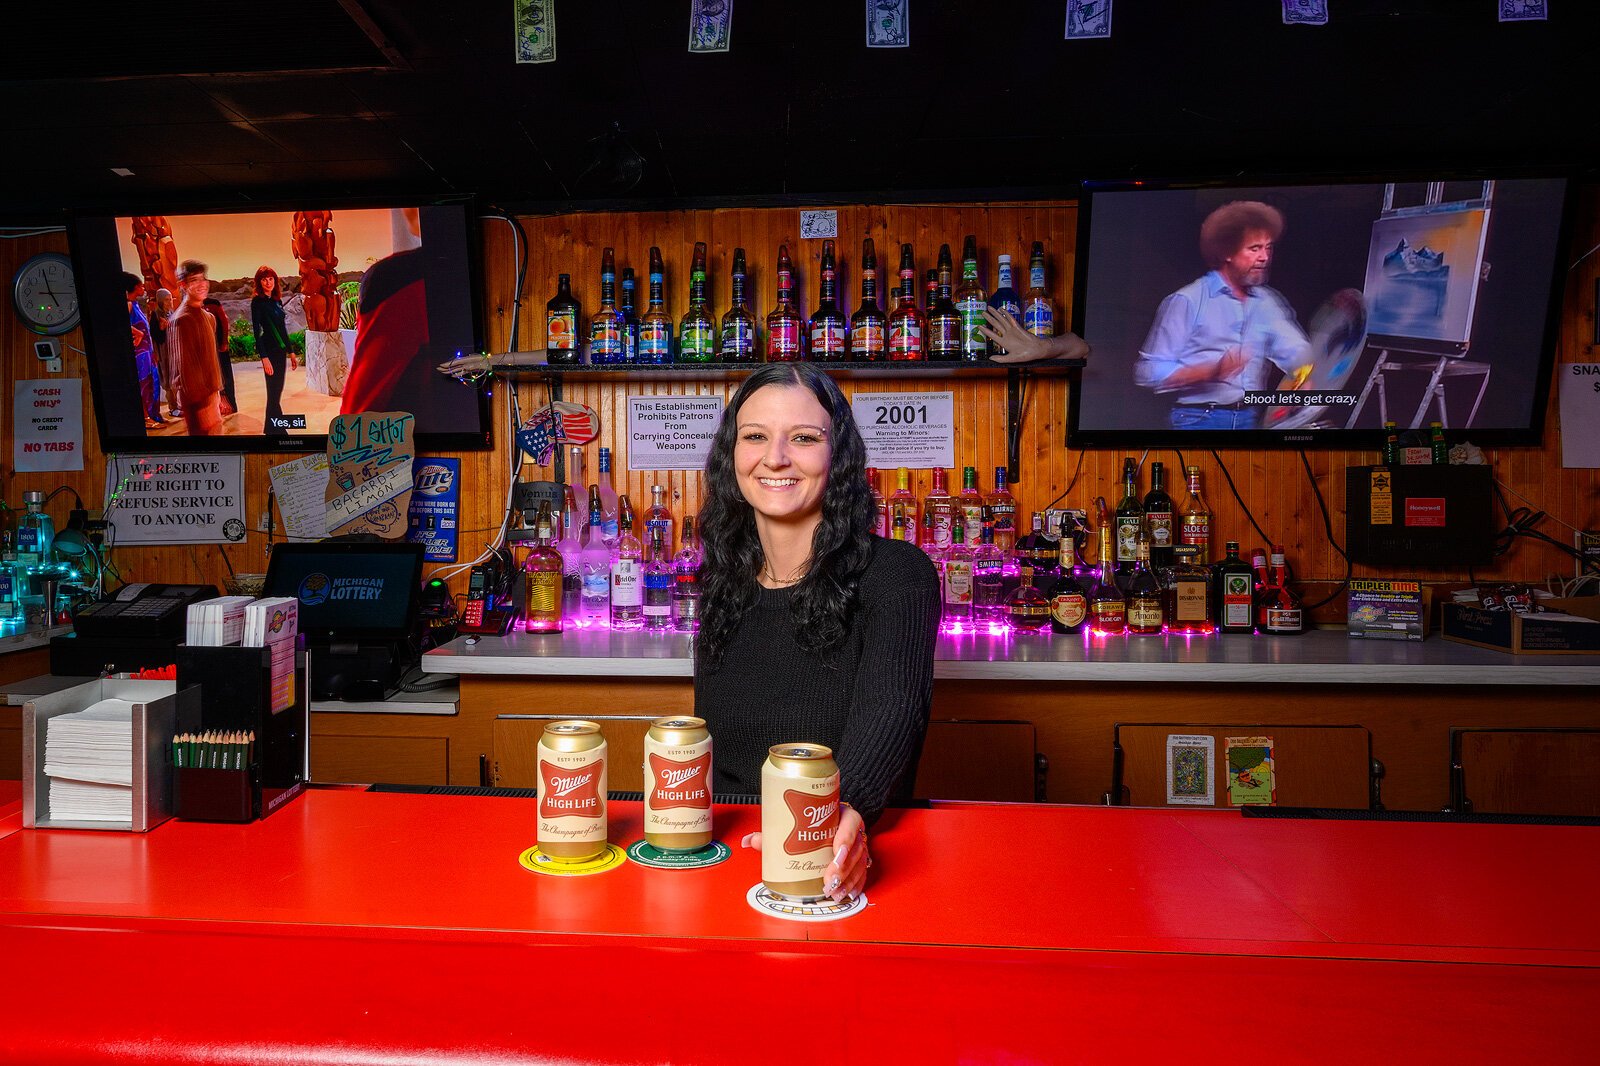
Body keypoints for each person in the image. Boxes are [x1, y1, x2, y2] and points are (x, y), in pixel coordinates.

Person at [694, 363, 941, 905]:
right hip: (732, 850)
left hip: (838, 846)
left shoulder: (897, 574)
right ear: (730, 455)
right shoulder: (721, 582)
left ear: (839, 457)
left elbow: (895, 710)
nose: (775, 457)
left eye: (804, 438)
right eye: (754, 436)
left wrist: (838, 821)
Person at [1133, 200, 1312, 430]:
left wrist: (1305, 373)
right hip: (1197, 419)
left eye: (1269, 247)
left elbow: (1293, 350)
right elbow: (1147, 371)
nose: (1265, 257)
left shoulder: (1268, 302)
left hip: (1250, 419)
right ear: (1227, 252)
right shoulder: (1188, 300)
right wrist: (1208, 372)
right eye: (1255, 248)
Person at [167, 259, 225, 436]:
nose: (201, 284)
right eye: (194, 280)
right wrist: (201, 408)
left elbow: (209, 360)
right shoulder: (181, 319)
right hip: (199, 404)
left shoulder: (208, 318)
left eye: (203, 279)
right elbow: (185, 373)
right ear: (183, 285)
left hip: (211, 399)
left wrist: (218, 395)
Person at [252, 266, 294, 433]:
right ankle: (277, 429)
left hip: (280, 352)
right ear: (259, 282)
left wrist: (291, 352)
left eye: (270, 279)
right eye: (264, 279)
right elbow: (257, 331)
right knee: (273, 391)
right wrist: (264, 357)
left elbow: (282, 328)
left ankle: (272, 428)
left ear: (275, 281)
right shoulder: (257, 302)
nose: (267, 282)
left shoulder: (277, 300)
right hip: (268, 350)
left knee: (277, 390)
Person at [123, 272, 163, 428]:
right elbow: (121, 324)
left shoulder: (137, 304)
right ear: (133, 287)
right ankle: (145, 418)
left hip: (147, 350)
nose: (143, 287)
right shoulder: (128, 304)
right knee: (143, 384)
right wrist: (137, 332)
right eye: (140, 285)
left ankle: (153, 414)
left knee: (152, 382)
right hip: (139, 352)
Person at [203, 295, 237, 416]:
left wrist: (224, 342)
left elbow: (224, 321)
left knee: (224, 375)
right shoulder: (192, 307)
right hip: (206, 349)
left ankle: (230, 405)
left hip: (219, 347)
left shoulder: (213, 304)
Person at [151, 287, 180, 419]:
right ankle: (172, 408)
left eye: (170, 299)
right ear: (161, 301)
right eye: (167, 300)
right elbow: (155, 336)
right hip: (164, 353)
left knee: (177, 378)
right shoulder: (156, 315)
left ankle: (178, 405)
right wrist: (162, 329)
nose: (170, 302)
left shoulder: (171, 313)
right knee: (168, 379)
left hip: (174, 351)